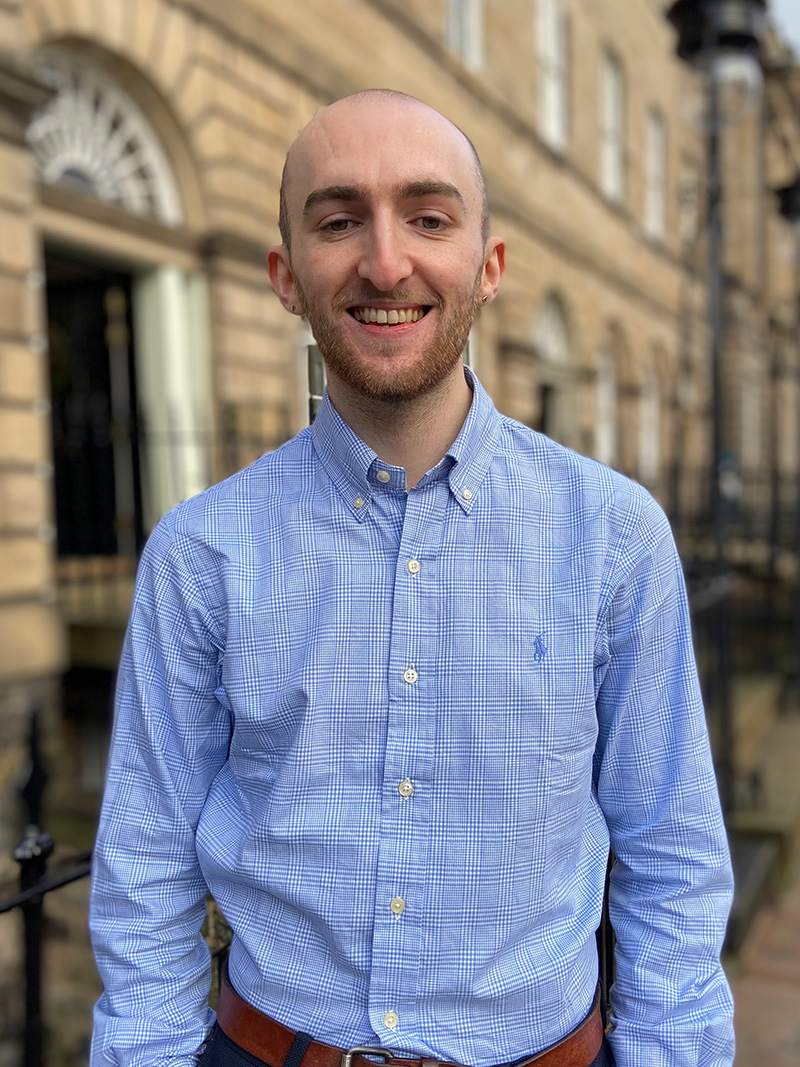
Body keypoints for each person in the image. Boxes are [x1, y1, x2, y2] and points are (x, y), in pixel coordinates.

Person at [89, 90, 735, 1067]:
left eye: (427, 218)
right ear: (285, 274)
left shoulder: (610, 535)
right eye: (338, 219)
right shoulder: (200, 553)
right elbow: (143, 869)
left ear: (488, 266)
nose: (384, 261)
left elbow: (671, 855)